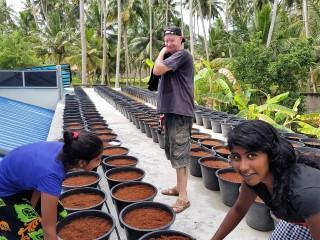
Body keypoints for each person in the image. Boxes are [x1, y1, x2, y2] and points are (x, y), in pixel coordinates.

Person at [211, 120, 320, 240]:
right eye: (236, 157)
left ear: (271, 154)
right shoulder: (255, 179)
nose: (243, 167)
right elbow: (238, 210)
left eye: (251, 155)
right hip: (299, 220)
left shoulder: (306, 193)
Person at [0, 130, 103, 240]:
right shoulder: (52, 176)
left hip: (18, 180)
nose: (100, 162)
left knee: (57, 212)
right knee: (34, 234)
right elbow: (48, 232)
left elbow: (38, 179)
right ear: (81, 162)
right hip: (4, 194)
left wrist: (32, 206)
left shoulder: (67, 149)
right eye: (97, 159)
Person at [153, 26, 194, 213]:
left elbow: (157, 70)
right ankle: (179, 188)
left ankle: (183, 197)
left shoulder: (183, 55)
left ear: (181, 39)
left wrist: (161, 51)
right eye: (166, 41)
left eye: (172, 40)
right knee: (172, 151)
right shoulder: (173, 57)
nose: (169, 44)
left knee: (180, 153)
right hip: (171, 112)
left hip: (180, 112)